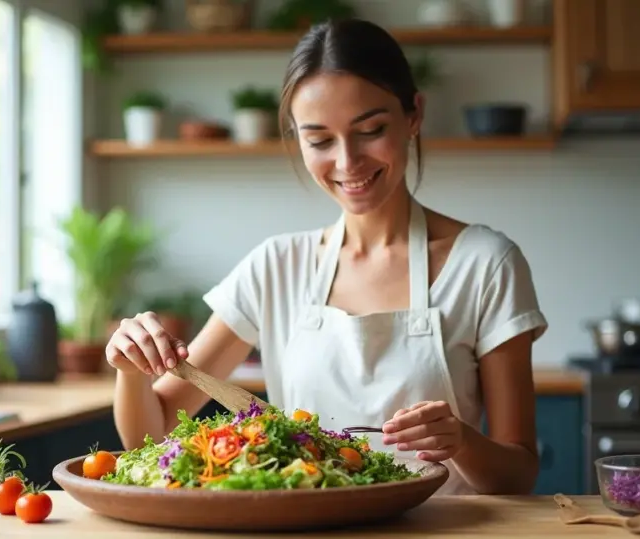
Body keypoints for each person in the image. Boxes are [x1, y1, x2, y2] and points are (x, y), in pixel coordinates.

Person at [107, 18, 548, 495]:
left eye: (371, 129)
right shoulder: (275, 267)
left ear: (414, 115)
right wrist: (129, 370)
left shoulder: (485, 264)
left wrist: (460, 440)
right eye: (319, 140)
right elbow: (153, 433)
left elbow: (518, 472)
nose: (347, 162)